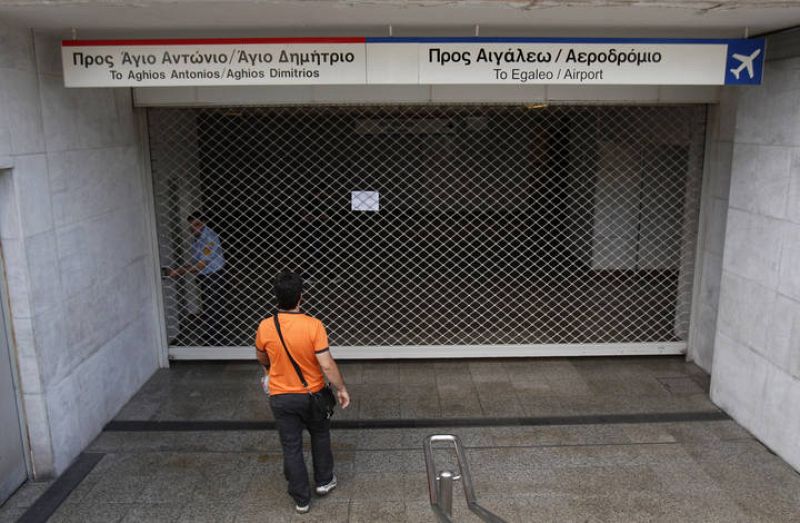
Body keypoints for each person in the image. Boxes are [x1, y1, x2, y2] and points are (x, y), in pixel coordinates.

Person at [255, 271, 350, 514]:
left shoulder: (265, 326)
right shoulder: (313, 325)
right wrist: (341, 388)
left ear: (276, 297)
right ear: (301, 297)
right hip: (312, 395)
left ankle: (301, 499)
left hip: (281, 397)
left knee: (291, 445)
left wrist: (270, 371)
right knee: (320, 435)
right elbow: (326, 364)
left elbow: (262, 356)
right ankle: (324, 481)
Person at [168, 213, 226, 344]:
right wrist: (181, 269)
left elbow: (200, 265)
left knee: (214, 306)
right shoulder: (198, 238)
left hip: (214, 276)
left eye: (197, 224)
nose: (194, 228)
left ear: (204, 223)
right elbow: (197, 262)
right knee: (209, 306)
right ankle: (212, 334)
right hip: (206, 276)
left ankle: (216, 339)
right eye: (191, 226)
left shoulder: (209, 238)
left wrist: (179, 271)